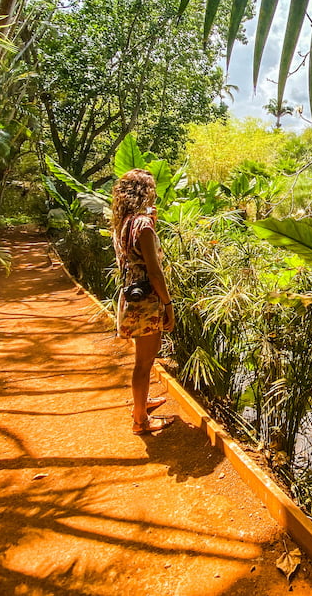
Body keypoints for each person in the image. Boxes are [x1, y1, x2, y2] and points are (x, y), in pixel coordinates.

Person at [111, 168, 176, 434]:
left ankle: (142, 402)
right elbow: (155, 271)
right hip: (147, 301)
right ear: (145, 192)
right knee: (144, 361)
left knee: (143, 359)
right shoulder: (143, 225)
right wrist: (168, 305)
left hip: (131, 296)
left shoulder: (125, 222)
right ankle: (141, 421)